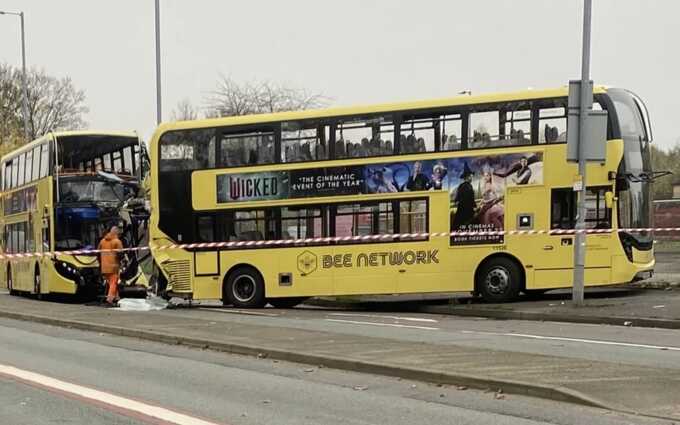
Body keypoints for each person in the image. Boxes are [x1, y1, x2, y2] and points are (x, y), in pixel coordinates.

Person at [98, 225, 123, 306]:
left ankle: (116, 298)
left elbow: (98, 252)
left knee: (111, 283)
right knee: (114, 283)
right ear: (117, 233)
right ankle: (110, 300)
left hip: (104, 267)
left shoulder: (102, 241)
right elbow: (120, 254)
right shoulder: (117, 241)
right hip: (113, 266)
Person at [452, 162, 476, 229]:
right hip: (467, 210)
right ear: (467, 177)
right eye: (471, 176)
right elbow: (470, 198)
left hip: (461, 210)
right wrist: (474, 206)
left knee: (458, 225)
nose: (472, 178)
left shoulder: (461, 186)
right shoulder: (469, 186)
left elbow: (457, 198)